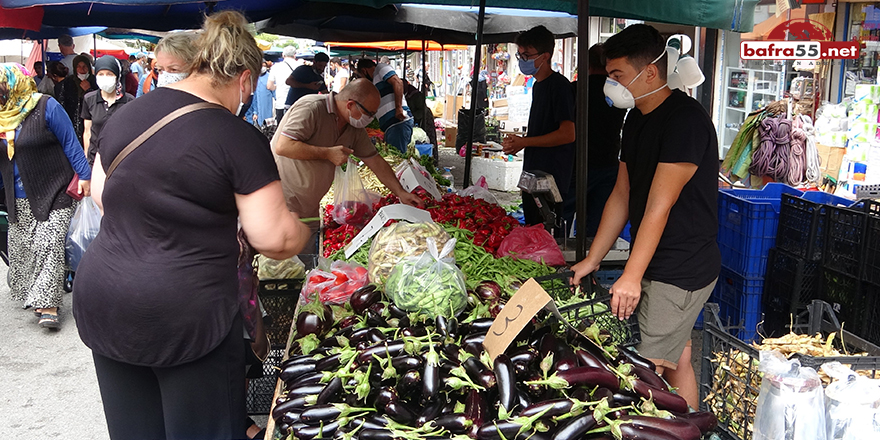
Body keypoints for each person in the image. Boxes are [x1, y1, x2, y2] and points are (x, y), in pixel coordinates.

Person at [73, 10, 311, 440]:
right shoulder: (236, 137)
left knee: (136, 431)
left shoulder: (130, 113)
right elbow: (274, 239)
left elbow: (103, 197)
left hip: (106, 297)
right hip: (185, 315)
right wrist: (304, 227)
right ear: (243, 78)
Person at [570, 24, 720, 410]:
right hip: (656, 256)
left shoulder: (685, 121)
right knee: (679, 356)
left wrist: (631, 276)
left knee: (643, 372)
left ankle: (658, 430)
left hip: (681, 266)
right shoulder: (635, 117)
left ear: (649, 72)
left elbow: (659, 205)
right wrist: (593, 258)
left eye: (617, 75)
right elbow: (622, 194)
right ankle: (690, 429)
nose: (611, 85)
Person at [272, 78, 424, 253]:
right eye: (369, 113)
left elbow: (374, 160)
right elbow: (283, 146)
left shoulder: (353, 128)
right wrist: (327, 153)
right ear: (350, 104)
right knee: (281, 267)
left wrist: (401, 192)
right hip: (283, 199)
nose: (371, 119)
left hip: (310, 205)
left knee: (305, 261)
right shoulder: (311, 108)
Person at [0, 63, 91, 329]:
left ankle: (48, 305)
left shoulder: (45, 106)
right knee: (23, 248)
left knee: (48, 243)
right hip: (17, 195)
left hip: (55, 188)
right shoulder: (3, 114)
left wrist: (84, 177)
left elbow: (71, 142)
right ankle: (36, 293)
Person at [502, 25, 575, 228]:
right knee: (533, 226)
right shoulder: (537, 85)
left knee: (546, 229)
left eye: (527, 55)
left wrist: (525, 142)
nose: (521, 60)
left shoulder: (559, 86)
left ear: (545, 56)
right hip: (534, 173)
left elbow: (568, 134)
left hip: (552, 177)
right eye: (520, 55)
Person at [562, 44, 626, 237]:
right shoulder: (618, 94)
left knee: (563, 218)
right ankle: (592, 260)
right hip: (608, 162)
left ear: (586, 64)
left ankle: (557, 256)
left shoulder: (573, 90)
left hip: (576, 164)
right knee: (597, 224)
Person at [81, 56, 135, 165]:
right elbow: (87, 132)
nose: (105, 77)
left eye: (109, 74)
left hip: (119, 159)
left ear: (117, 76)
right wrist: (86, 157)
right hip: (94, 158)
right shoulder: (89, 99)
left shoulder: (129, 101)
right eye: (101, 74)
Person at [355, 59, 414, 154]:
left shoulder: (381, 68)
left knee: (396, 157)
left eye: (361, 76)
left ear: (364, 71)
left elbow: (398, 82)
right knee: (393, 156)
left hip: (397, 123)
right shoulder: (375, 80)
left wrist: (398, 108)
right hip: (391, 126)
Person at [55, 54, 97, 145]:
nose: (82, 70)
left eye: (84, 66)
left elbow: (98, 102)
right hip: (72, 123)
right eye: (79, 66)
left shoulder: (95, 82)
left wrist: (89, 90)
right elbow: (62, 103)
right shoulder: (67, 83)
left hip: (91, 122)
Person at [267, 46, 299, 123]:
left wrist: (278, 86)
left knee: (281, 130)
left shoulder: (276, 67)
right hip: (297, 105)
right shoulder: (300, 66)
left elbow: (269, 86)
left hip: (281, 104)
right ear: (294, 55)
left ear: (283, 55)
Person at [246, 60, 274, 127]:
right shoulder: (252, 78)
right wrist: (254, 112)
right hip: (254, 113)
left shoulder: (270, 78)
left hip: (267, 113)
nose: (262, 67)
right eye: (261, 66)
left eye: (264, 66)